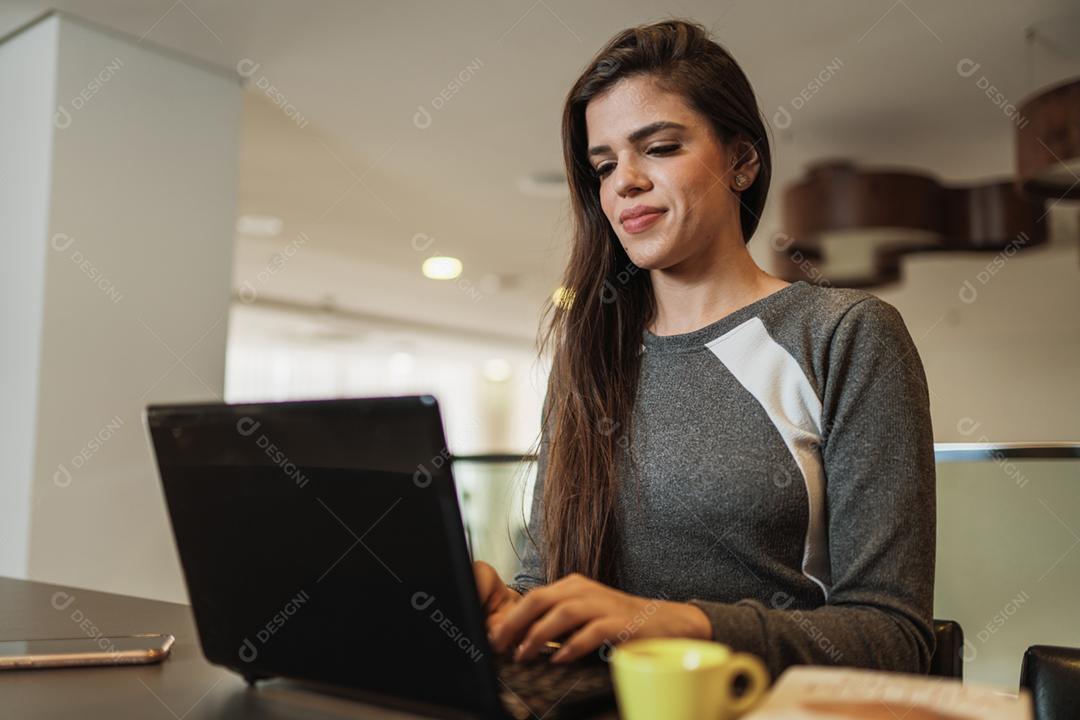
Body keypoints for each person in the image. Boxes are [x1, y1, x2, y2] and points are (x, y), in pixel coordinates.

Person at [473, 18, 936, 680]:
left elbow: (894, 636)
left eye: (658, 147)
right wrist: (509, 610)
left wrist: (679, 623)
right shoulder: (589, 355)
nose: (623, 181)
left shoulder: (844, 334)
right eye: (603, 165)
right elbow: (551, 583)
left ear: (742, 161)